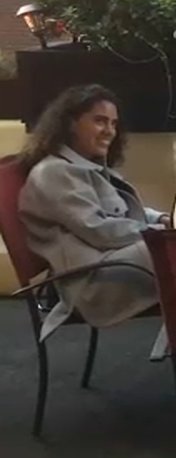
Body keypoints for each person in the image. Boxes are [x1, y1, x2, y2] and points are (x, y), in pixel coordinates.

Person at [18, 85, 166, 340]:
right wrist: (165, 233)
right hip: (93, 283)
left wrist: (162, 219)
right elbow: (100, 230)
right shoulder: (54, 172)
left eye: (113, 123)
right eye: (99, 121)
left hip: (114, 261)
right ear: (70, 123)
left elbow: (124, 212)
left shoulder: (84, 166)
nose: (109, 131)